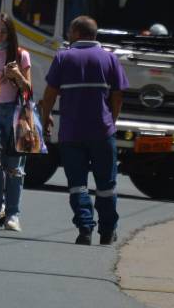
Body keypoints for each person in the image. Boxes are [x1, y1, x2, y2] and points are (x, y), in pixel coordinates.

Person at [42, 15, 129, 245]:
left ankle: (85, 228)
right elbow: (118, 95)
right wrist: (112, 119)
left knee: (77, 184)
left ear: (76, 33)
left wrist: (45, 116)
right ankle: (108, 232)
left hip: (71, 133)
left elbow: (50, 93)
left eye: (70, 32)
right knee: (106, 185)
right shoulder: (110, 59)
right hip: (102, 131)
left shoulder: (63, 57)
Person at [0, 13, 31, 232]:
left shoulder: (21, 56)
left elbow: (29, 90)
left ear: (11, 33)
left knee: (14, 168)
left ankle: (13, 214)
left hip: (14, 113)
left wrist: (18, 76)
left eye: (3, 31)